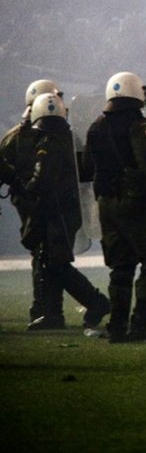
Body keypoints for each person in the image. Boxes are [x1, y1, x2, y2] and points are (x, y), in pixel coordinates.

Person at [82, 72, 146, 344]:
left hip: (106, 203)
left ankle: (118, 326)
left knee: (121, 265)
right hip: (133, 202)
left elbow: (87, 167)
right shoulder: (137, 124)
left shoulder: (96, 126)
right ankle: (142, 323)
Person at [14, 93, 110, 330]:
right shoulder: (71, 137)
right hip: (69, 209)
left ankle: (95, 301)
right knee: (52, 261)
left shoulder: (46, 142)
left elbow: (41, 179)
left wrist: (23, 187)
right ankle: (53, 314)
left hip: (53, 210)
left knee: (55, 263)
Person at [1, 79, 66, 323]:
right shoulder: (40, 133)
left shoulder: (18, 134)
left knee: (45, 254)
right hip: (37, 201)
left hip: (34, 199)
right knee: (45, 254)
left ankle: (46, 310)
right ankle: (46, 309)